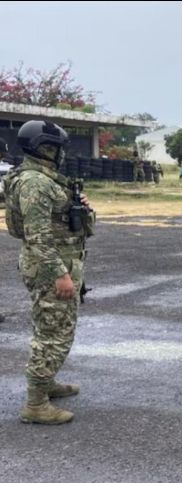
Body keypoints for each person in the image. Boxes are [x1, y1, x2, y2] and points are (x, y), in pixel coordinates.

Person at [3, 120, 95, 425]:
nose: (60, 154)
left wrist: (83, 209)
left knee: (53, 328)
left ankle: (46, 383)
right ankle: (36, 403)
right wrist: (60, 274)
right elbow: (37, 236)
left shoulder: (46, 180)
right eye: (56, 148)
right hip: (51, 267)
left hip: (58, 263)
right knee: (53, 335)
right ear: (45, 148)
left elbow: (77, 226)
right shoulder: (36, 183)